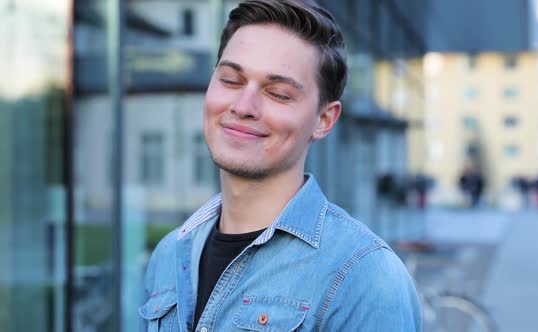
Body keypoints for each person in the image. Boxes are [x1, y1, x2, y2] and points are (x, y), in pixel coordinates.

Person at [141, 1, 422, 331]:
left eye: (278, 93)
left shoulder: (364, 276)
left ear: (323, 119)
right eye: (230, 80)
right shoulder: (168, 256)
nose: (243, 106)